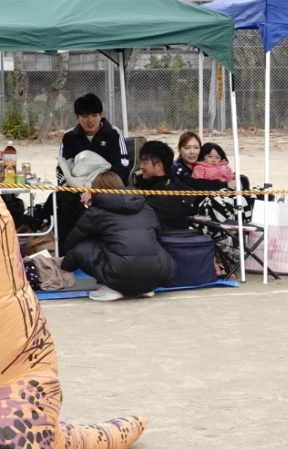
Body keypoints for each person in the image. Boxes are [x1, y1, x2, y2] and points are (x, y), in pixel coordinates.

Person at [60, 172, 173, 301]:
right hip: (154, 275)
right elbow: (158, 236)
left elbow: (73, 241)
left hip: (119, 274)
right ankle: (143, 286)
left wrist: (65, 266)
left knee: (82, 247)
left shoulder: (96, 212)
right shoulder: (145, 207)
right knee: (149, 245)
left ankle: (114, 287)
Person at [130, 139, 200, 233]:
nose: (141, 166)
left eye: (144, 162)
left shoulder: (169, 192)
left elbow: (139, 213)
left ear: (159, 166)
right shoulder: (148, 183)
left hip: (168, 239)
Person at [60, 92, 129, 177]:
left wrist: (97, 180)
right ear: (77, 116)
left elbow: (122, 167)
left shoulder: (114, 133)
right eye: (85, 116)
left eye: (94, 115)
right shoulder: (69, 137)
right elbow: (62, 168)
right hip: (78, 182)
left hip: (106, 182)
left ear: (101, 115)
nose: (90, 120)